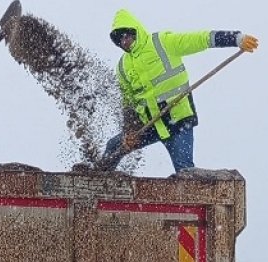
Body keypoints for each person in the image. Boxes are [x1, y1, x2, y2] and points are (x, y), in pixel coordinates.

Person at [103, 9, 258, 173]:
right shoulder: (122, 66)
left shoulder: (162, 42)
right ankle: (97, 177)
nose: (124, 42)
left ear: (135, 31)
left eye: (125, 36)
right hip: (150, 125)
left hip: (178, 121)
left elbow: (201, 39)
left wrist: (236, 39)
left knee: (184, 171)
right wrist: (130, 131)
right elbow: (128, 102)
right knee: (113, 146)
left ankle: (199, 185)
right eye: (119, 40)